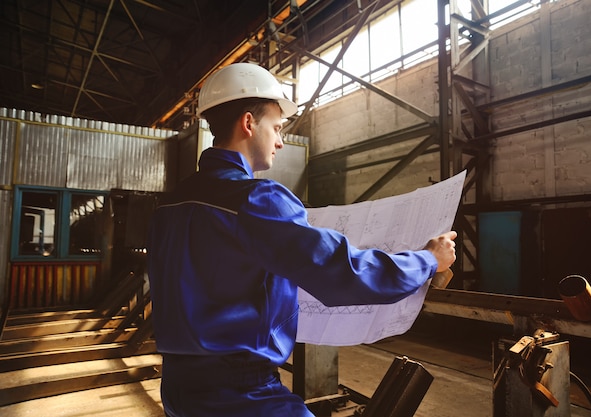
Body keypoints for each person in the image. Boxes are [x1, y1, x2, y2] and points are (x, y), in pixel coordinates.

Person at [146, 62, 457, 417]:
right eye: (276, 128)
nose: (279, 141)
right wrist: (429, 260)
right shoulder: (256, 199)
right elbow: (344, 272)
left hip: (177, 388)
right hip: (239, 394)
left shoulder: (168, 206)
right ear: (249, 123)